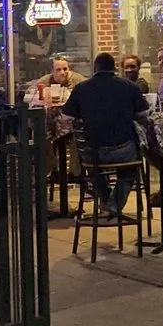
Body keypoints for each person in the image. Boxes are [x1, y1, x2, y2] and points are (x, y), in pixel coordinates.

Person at [63, 54, 144, 214]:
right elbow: (144, 113)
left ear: (95, 68)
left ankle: (107, 201)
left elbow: (66, 117)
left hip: (92, 152)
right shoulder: (129, 86)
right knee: (131, 167)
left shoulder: (82, 88)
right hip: (122, 150)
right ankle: (113, 204)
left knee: (94, 168)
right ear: (114, 68)